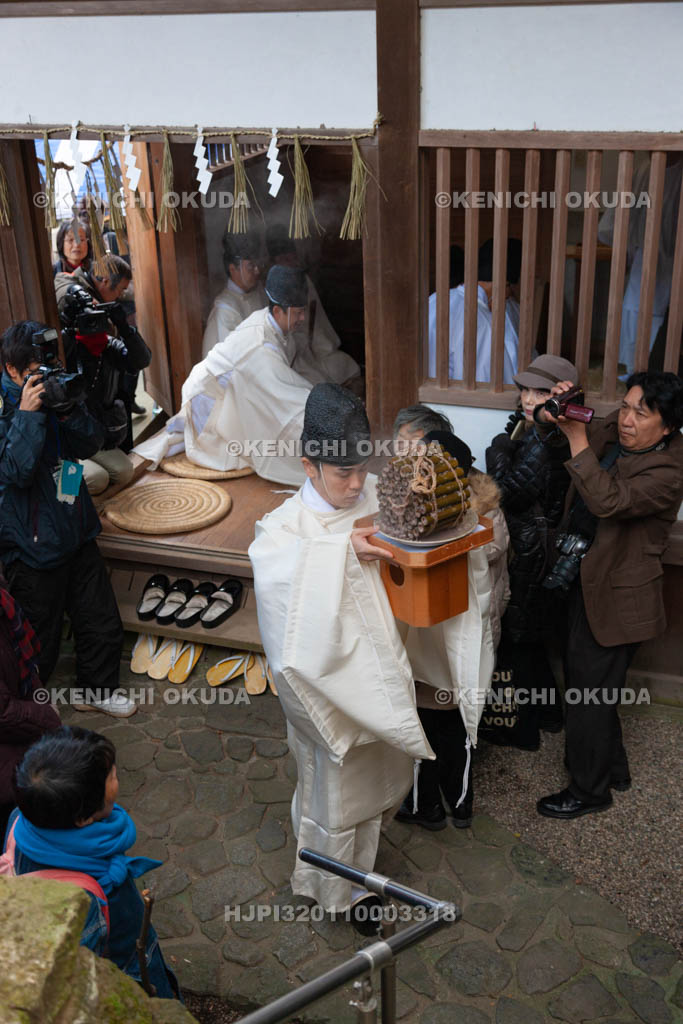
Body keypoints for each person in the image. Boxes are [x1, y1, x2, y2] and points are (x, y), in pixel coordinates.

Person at [249, 384, 494, 918]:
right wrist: (341, 551)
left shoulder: (378, 493)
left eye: (363, 469)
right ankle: (335, 891)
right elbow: (282, 595)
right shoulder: (285, 532)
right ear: (309, 464)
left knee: (380, 787)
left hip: (386, 676)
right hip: (338, 690)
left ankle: (366, 867)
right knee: (333, 798)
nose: (358, 484)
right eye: (343, 474)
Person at [536, 371, 683, 819]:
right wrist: (556, 413)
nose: (626, 419)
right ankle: (612, 769)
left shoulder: (669, 470)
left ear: (669, 426)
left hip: (619, 599)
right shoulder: (614, 431)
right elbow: (564, 444)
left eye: (642, 413)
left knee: (586, 697)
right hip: (580, 576)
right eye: (626, 405)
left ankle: (589, 791)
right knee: (594, 689)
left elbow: (608, 501)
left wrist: (578, 435)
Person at [0, 321, 132, 718]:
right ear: (11, 370)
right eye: (33, 371)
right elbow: (16, 471)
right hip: (31, 543)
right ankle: (30, 711)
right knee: (39, 637)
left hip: (75, 526)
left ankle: (97, 689)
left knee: (100, 620)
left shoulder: (54, 389)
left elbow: (91, 444)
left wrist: (69, 407)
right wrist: (28, 415)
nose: (42, 376)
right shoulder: (8, 410)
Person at [390, 414, 509, 829]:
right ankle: (460, 804)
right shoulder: (489, 514)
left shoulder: (466, 524)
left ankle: (427, 808)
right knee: (456, 728)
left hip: (438, 644)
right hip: (467, 646)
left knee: (422, 729)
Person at [8, 726, 179, 998]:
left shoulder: (20, 818)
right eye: (112, 776)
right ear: (83, 819)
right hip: (129, 972)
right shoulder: (83, 898)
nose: (117, 776)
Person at [136, 266, 314, 485]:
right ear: (278, 311)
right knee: (279, 436)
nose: (303, 318)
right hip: (210, 407)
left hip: (226, 393)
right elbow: (285, 396)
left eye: (303, 311)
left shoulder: (266, 320)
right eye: (297, 312)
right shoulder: (259, 347)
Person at [485, 354, 579, 745]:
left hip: (532, 549)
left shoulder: (549, 438)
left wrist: (497, 451)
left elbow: (509, 492)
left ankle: (533, 718)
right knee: (527, 637)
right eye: (525, 389)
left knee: (520, 636)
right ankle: (548, 714)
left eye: (539, 391)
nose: (527, 398)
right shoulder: (536, 431)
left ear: (560, 397)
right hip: (532, 545)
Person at [55, 255, 151, 494]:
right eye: (91, 322)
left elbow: (141, 360)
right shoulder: (64, 351)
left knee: (124, 471)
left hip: (91, 433)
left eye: (101, 321)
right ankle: (66, 499)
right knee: (95, 479)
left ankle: (80, 499)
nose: (97, 328)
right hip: (64, 440)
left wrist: (126, 328)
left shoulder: (107, 345)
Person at [598, 155, 683, 377]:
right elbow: (619, 221)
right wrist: (628, 251)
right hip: (645, 258)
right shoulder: (644, 170)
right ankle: (637, 377)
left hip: (667, 260)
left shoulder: (648, 169)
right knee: (638, 313)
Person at [0, 576, 61, 839]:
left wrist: (39, 698)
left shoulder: (4, 602)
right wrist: (47, 716)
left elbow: (21, 661)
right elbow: (3, 714)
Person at [266, 225, 361, 387]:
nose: (292, 262)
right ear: (276, 261)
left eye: (293, 257)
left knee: (346, 364)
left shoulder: (303, 281)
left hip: (314, 347)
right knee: (314, 383)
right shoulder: (271, 289)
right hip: (296, 356)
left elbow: (315, 325)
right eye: (286, 259)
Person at [428, 238, 522, 384]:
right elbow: (483, 383)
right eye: (509, 292)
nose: (508, 299)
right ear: (504, 284)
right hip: (454, 403)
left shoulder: (436, 298)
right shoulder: (481, 320)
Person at [201, 232, 267, 357]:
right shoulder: (225, 309)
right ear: (233, 269)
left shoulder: (258, 294)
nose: (257, 270)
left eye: (258, 264)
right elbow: (236, 360)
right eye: (251, 266)